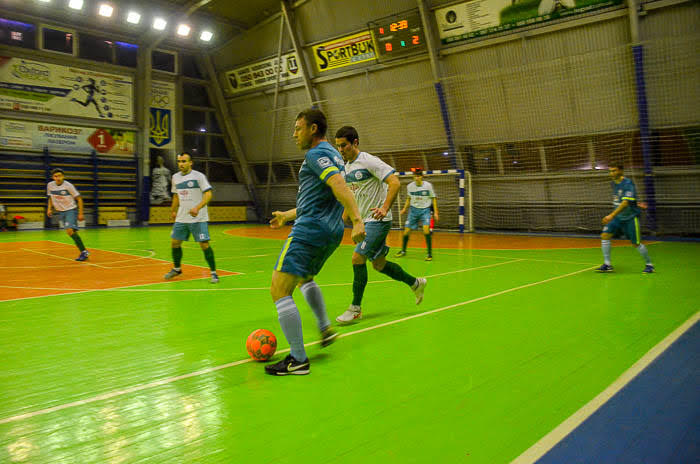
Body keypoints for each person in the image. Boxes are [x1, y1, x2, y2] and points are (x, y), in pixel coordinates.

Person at [265, 109, 365, 376]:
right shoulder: (333, 154)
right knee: (304, 278)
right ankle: (324, 328)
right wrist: (287, 215)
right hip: (330, 231)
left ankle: (298, 360)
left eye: (298, 128)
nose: (294, 133)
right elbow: (320, 195)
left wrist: (357, 219)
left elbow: (338, 186)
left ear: (313, 129)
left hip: (310, 231)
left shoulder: (315, 154)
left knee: (279, 290)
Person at [333, 126, 427, 324]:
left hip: (377, 220)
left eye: (344, 146)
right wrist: (343, 216)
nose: (341, 150)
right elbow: (352, 194)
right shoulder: (347, 167)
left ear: (355, 143)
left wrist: (384, 208)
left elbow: (394, 182)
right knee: (379, 265)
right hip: (363, 221)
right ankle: (415, 283)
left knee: (357, 258)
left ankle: (355, 308)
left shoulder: (368, 161)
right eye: (338, 146)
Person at [164, 152, 219, 283]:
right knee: (175, 242)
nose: (181, 164)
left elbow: (208, 194)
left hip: (198, 218)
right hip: (182, 217)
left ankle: (213, 273)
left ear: (190, 163)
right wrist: (173, 210)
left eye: (184, 161)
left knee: (204, 244)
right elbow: (176, 196)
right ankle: (177, 269)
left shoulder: (199, 176)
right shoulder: (175, 177)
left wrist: (197, 207)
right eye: (179, 161)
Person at [596, 162, 654, 273]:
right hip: (618, 217)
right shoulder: (613, 183)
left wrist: (611, 215)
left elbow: (625, 202)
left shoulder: (627, 183)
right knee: (604, 235)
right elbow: (622, 199)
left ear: (621, 171)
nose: (612, 173)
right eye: (610, 171)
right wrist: (636, 203)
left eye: (614, 171)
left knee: (635, 243)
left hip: (630, 217)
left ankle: (649, 265)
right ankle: (607, 265)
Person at [395, 168, 439, 261]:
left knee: (426, 231)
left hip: (425, 210)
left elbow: (433, 198)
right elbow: (408, 198)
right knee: (406, 231)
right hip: (413, 211)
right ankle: (403, 251)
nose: (416, 178)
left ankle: (429, 254)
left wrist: (436, 212)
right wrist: (404, 209)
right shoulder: (410, 186)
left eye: (418, 176)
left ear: (422, 177)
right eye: (415, 176)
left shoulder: (428, 186)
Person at [46, 168, 89, 261]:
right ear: (53, 177)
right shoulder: (50, 185)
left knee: (69, 230)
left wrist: (81, 214)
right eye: (56, 176)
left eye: (60, 176)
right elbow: (50, 197)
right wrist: (49, 208)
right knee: (71, 233)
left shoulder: (68, 186)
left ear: (63, 176)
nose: (58, 178)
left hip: (71, 210)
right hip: (61, 211)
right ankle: (83, 250)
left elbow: (79, 199)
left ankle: (84, 252)